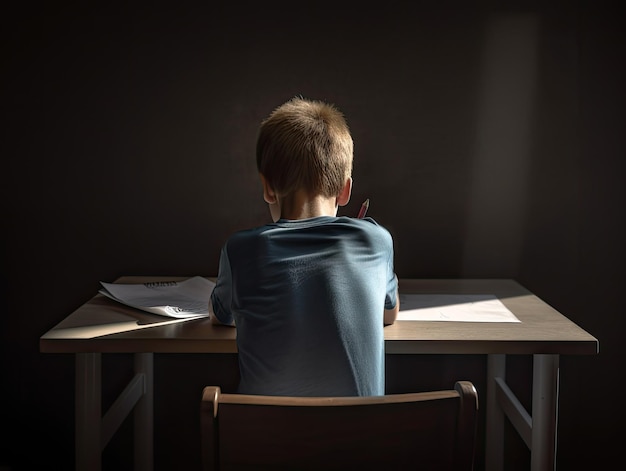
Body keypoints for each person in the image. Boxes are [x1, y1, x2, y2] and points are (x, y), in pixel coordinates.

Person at [209, 96, 399, 397]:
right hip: (363, 441)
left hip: (263, 442)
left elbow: (220, 317)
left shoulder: (241, 249)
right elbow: (388, 314)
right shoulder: (375, 240)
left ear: (268, 186)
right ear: (345, 189)